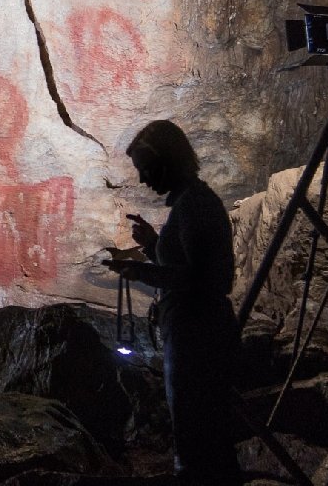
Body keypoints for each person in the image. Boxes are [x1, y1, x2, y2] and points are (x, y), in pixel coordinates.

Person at [104, 120, 242, 485]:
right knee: (201, 433)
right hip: (193, 329)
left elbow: (203, 279)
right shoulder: (192, 201)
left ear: (167, 162)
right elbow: (186, 265)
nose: (144, 180)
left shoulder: (195, 205)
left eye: (147, 170)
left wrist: (140, 271)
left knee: (196, 436)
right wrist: (152, 245)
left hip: (197, 334)